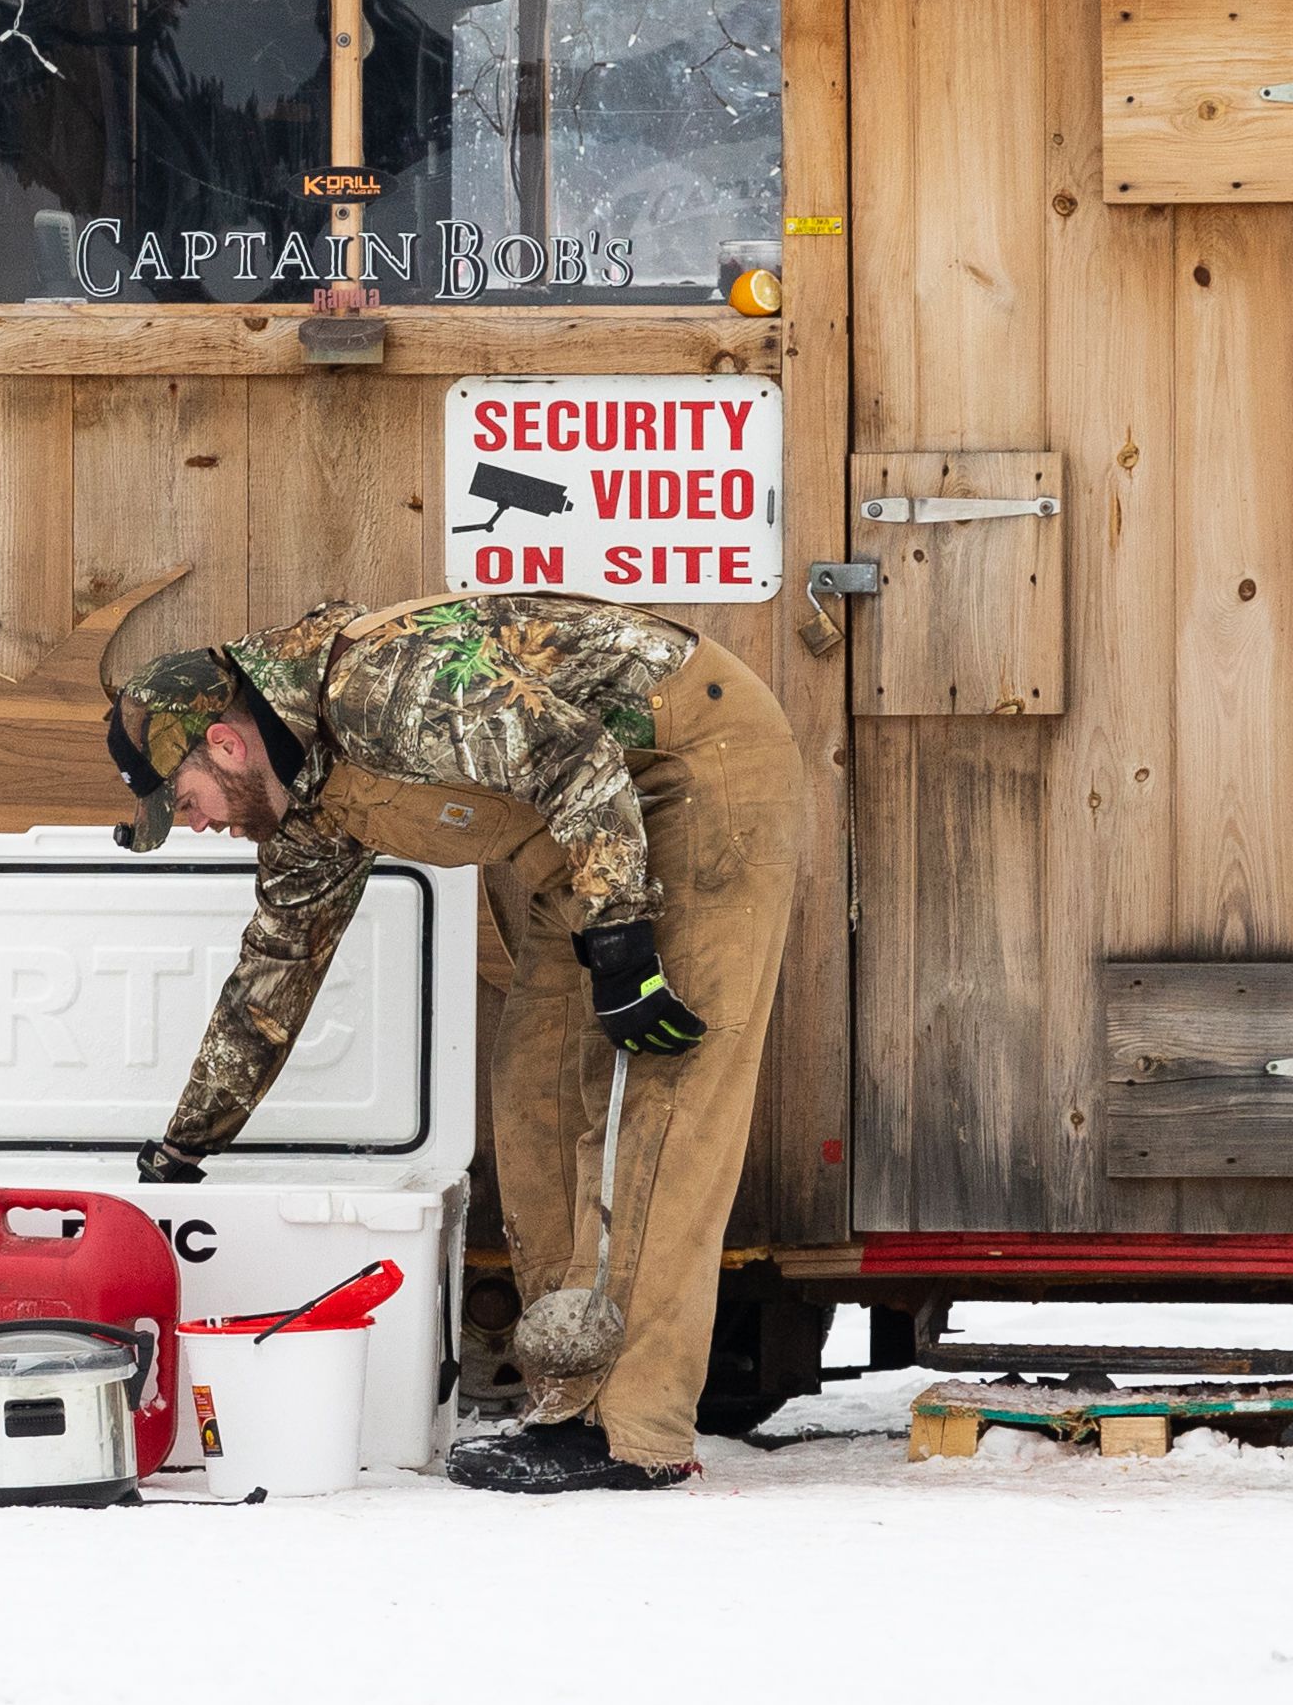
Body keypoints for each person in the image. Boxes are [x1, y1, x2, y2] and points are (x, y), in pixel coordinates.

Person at [105, 594, 805, 1495]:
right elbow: (272, 976)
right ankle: (565, 1405)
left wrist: (623, 942)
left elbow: (578, 756)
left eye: (187, 803)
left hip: (690, 772)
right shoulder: (306, 804)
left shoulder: (382, 686)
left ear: (227, 746)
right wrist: (184, 1143)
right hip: (581, 841)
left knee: (652, 1101)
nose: (198, 824)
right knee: (535, 1089)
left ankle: (632, 1431)